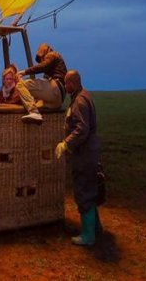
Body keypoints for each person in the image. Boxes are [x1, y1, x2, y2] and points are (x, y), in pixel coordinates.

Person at [55, 69, 102, 246]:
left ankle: (88, 235)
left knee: (83, 191)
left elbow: (82, 129)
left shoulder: (80, 101)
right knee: (89, 189)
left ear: (72, 83)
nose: (65, 86)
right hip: (87, 152)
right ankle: (95, 228)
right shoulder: (82, 97)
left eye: (66, 83)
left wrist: (66, 143)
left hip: (84, 154)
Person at [17, 43, 67, 124]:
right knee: (36, 104)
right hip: (58, 101)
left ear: (43, 52)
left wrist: (25, 72)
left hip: (55, 88)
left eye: (40, 58)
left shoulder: (52, 55)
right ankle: (34, 113)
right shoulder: (51, 70)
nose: (41, 61)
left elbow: (43, 66)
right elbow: (40, 86)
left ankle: (34, 112)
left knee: (21, 85)